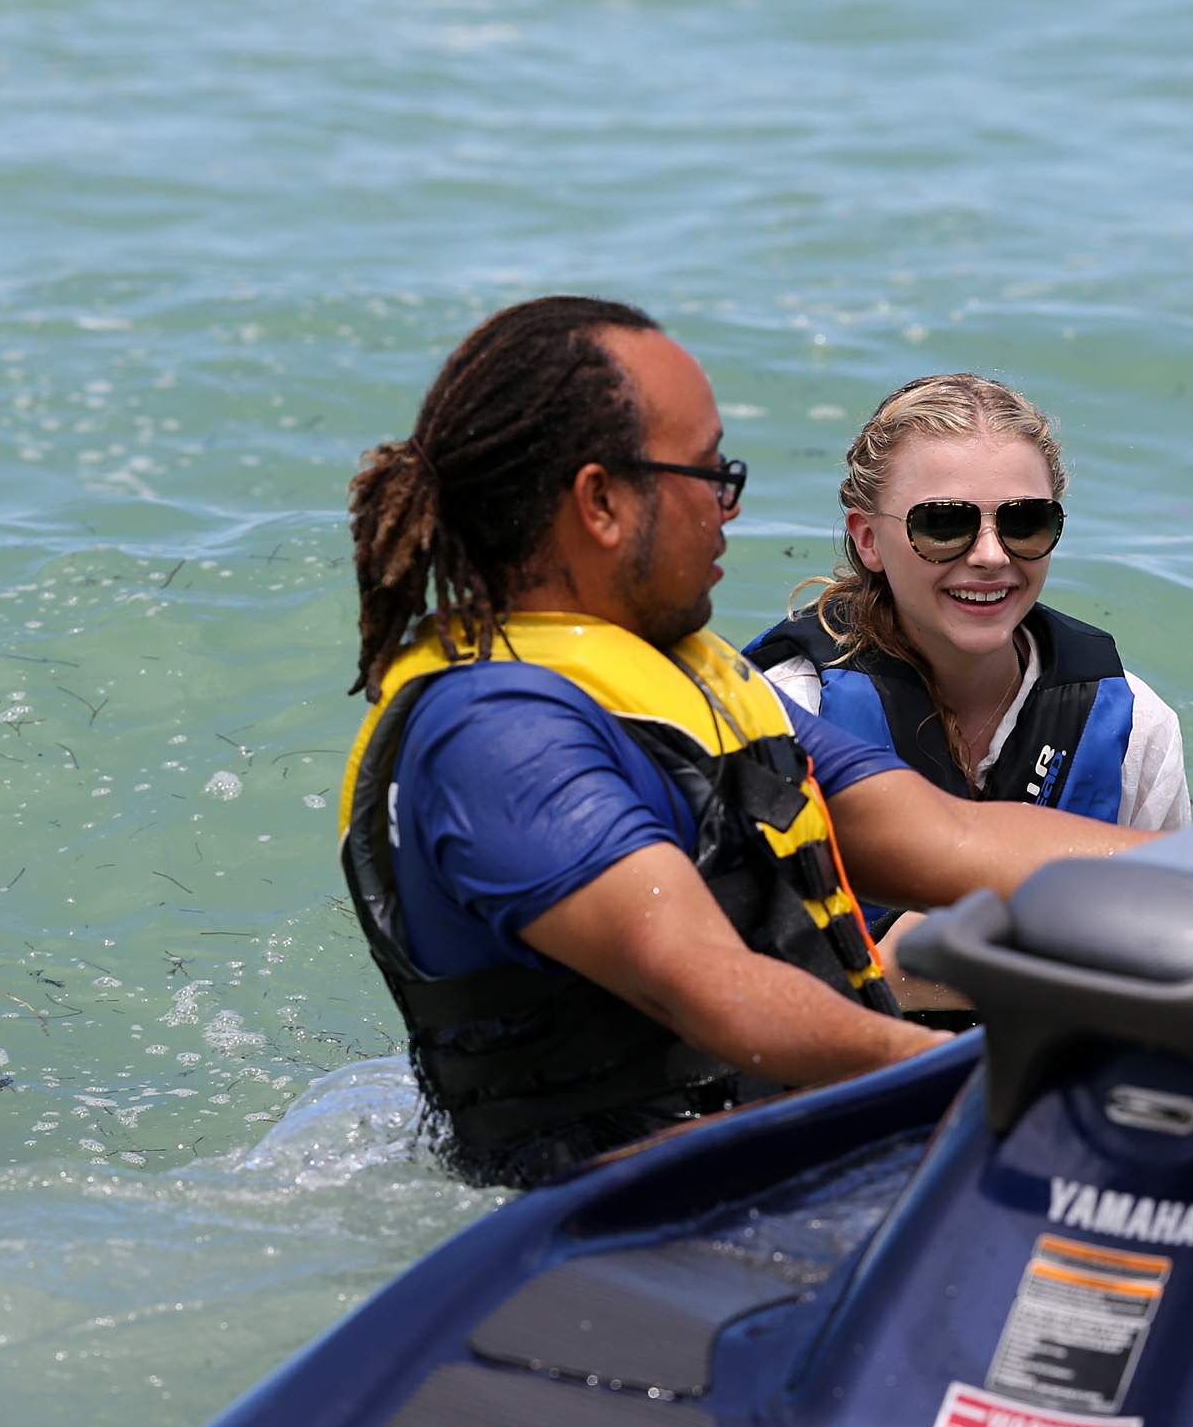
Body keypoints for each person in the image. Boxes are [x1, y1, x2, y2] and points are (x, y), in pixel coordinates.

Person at [339, 297, 1149, 1187]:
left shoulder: (695, 688)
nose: (729, 507)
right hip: (617, 1226)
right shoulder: (492, 735)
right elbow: (711, 988)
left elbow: (953, 837)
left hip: (776, 1175)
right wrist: (1000, 1087)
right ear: (602, 502)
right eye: (707, 473)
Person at [743, 373, 1189, 831]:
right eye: (942, 524)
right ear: (868, 539)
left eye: (1025, 521)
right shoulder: (790, 711)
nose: (991, 556)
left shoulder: (1136, 727)